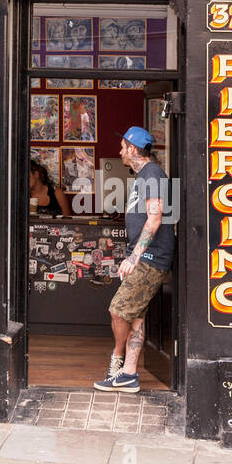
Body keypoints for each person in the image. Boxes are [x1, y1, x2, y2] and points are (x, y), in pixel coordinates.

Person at [94, 127, 175, 394]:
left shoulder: (152, 173)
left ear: (132, 148)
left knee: (118, 309)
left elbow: (155, 218)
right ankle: (129, 374)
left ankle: (117, 360)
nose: (119, 153)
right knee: (136, 318)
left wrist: (134, 257)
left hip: (150, 258)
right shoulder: (146, 175)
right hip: (149, 257)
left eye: (122, 147)